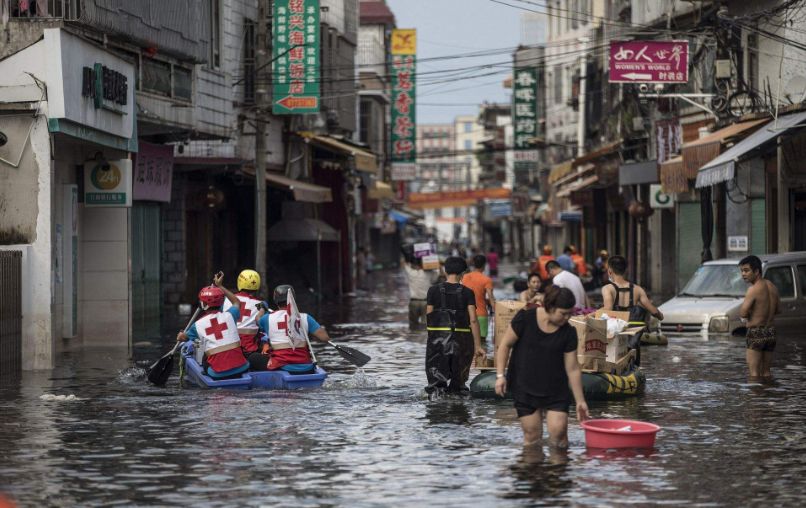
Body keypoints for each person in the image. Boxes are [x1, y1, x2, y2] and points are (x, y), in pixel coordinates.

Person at [495, 286, 589, 447]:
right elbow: (505, 345)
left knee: (559, 435)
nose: (567, 318)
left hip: (556, 389)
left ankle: (559, 469)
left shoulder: (568, 332)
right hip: (525, 386)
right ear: (550, 308)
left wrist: (580, 401)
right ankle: (532, 470)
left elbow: (572, 368)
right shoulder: (525, 318)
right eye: (563, 313)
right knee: (532, 437)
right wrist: (500, 376)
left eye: (570, 313)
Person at [425, 256, 485, 395]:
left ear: (445, 271)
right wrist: (478, 346)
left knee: (436, 386)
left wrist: (433, 341)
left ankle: (438, 411)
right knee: (459, 385)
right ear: (463, 273)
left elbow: (429, 317)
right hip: (462, 341)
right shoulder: (468, 292)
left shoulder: (433, 291)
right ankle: (458, 410)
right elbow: (473, 320)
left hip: (438, 341)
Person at [177, 272, 249, 379]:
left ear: (203, 304)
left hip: (217, 373)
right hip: (241, 367)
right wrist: (220, 286)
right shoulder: (230, 315)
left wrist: (181, 335)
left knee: (199, 346)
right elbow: (236, 302)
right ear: (222, 302)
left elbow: (182, 338)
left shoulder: (197, 325)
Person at [252, 285, 332, 372]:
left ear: (276, 300)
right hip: (305, 365)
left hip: (282, 365)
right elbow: (325, 338)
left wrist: (262, 309)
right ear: (293, 299)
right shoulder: (305, 317)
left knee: (253, 357)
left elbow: (257, 320)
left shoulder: (267, 318)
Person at [601, 255, 664, 367]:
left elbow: (608, 310)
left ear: (609, 271)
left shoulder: (607, 289)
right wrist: (660, 315)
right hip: (633, 341)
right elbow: (654, 311)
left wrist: (591, 314)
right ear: (626, 270)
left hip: (615, 340)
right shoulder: (638, 290)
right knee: (634, 366)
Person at [738, 255, 780, 381]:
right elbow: (778, 310)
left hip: (756, 332)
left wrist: (751, 312)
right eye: (741, 271)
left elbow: (743, 313)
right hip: (771, 332)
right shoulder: (773, 287)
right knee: (766, 372)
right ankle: (768, 396)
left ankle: (755, 399)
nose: (743, 274)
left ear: (756, 271)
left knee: (754, 374)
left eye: (746, 270)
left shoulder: (753, 289)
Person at [222, 269, 269, 355]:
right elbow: (265, 327)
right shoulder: (262, 305)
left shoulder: (225, 301)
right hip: (249, 350)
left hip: (228, 349)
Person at [462, 254, 496, 347]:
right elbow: (491, 299)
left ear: (473, 264)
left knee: (467, 343)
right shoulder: (486, 280)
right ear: (484, 265)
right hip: (481, 315)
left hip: (466, 314)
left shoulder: (465, 277)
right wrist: (499, 312)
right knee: (482, 344)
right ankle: (480, 362)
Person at [403, 255, 438, 331]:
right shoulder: (429, 273)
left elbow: (404, 263)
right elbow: (436, 276)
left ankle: (413, 339)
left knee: (413, 326)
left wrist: (408, 255)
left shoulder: (411, 273)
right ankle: (422, 341)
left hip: (414, 302)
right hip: (426, 303)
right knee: (425, 326)